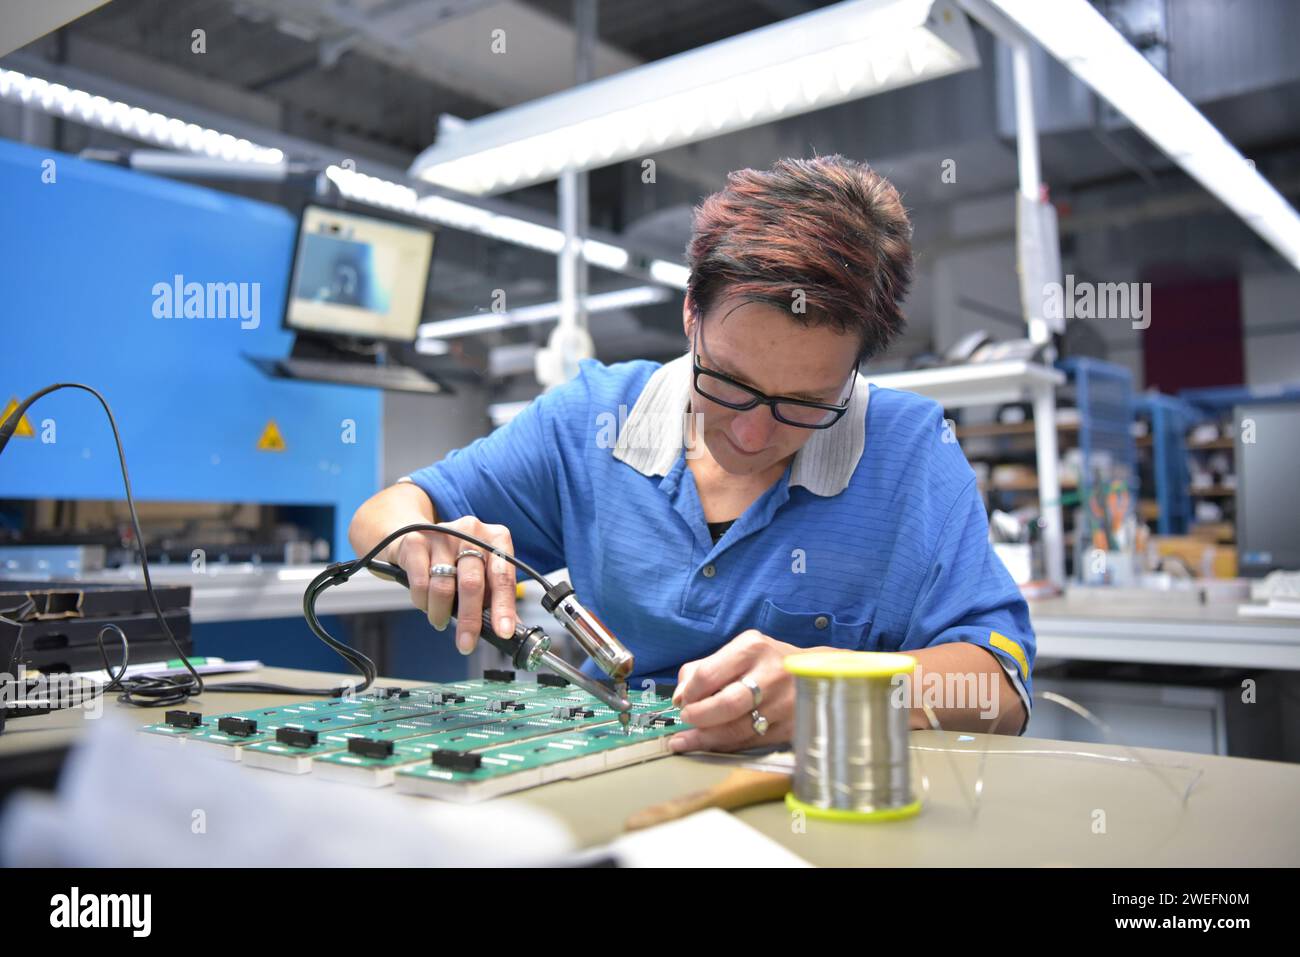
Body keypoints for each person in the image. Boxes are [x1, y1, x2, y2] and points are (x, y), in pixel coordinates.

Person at [349, 155, 1035, 753]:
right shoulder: (595, 419)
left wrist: (838, 690)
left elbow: (999, 689)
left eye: (805, 402)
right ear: (690, 315)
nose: (752, 434)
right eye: (730, 383)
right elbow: (382, 515)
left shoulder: (908, 451)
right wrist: (427, 542)